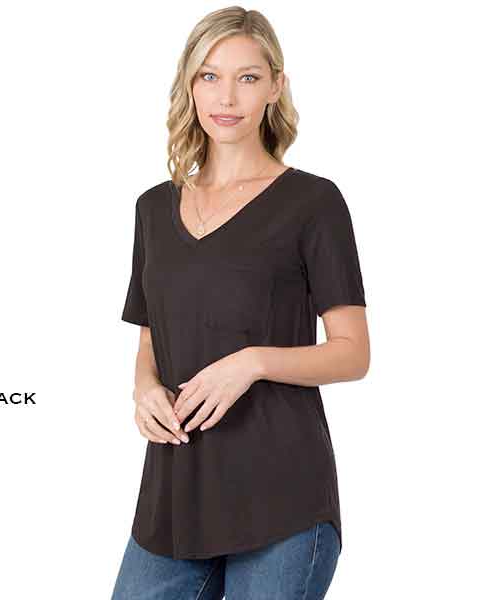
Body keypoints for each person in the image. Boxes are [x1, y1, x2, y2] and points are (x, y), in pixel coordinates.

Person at [111, 7, 370, 599]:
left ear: (276, 86)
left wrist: (251, 362)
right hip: (174, 498)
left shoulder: (313, 203)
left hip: (282, 498)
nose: (226, 97)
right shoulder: (153, 209)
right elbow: (151, 337)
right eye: (210, 76)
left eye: (247, 77)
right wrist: (143, 389)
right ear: (189, 84)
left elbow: (353, 353)